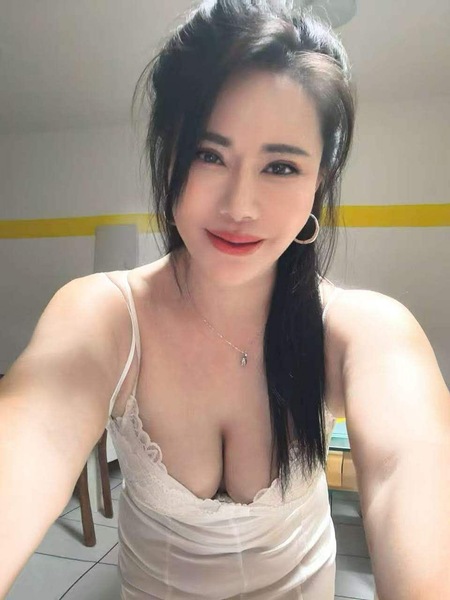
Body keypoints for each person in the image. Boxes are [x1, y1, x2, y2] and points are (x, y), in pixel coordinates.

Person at [1, 1, 449, 599]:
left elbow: (407, 471)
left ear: (319, 180)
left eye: (281, 167)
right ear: (167, 154)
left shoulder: (363, 328)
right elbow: (30, 438)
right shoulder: (106, 316)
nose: (240, 205)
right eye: (208, 155)